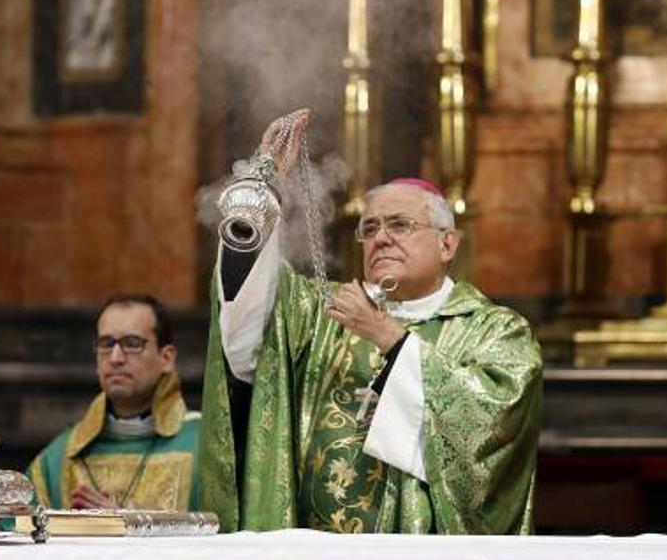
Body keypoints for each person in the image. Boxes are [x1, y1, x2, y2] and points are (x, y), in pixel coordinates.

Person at [200, 113, 543, 534]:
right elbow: (247, 311)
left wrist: (388, 337)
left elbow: (491, 433)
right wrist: (263, 178)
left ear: (447, 243)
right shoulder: (323, 312)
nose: (381, 238)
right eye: (370, 228)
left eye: (400, 225)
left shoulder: (495, 332)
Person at [11, 295, 202, 520]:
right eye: (106, 344)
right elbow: (13, 534)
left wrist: (128, 524)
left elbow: (228, 538)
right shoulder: (60, 457)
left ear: (166, 358)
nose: (116, 357)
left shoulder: (203, 446)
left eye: (132, 344)